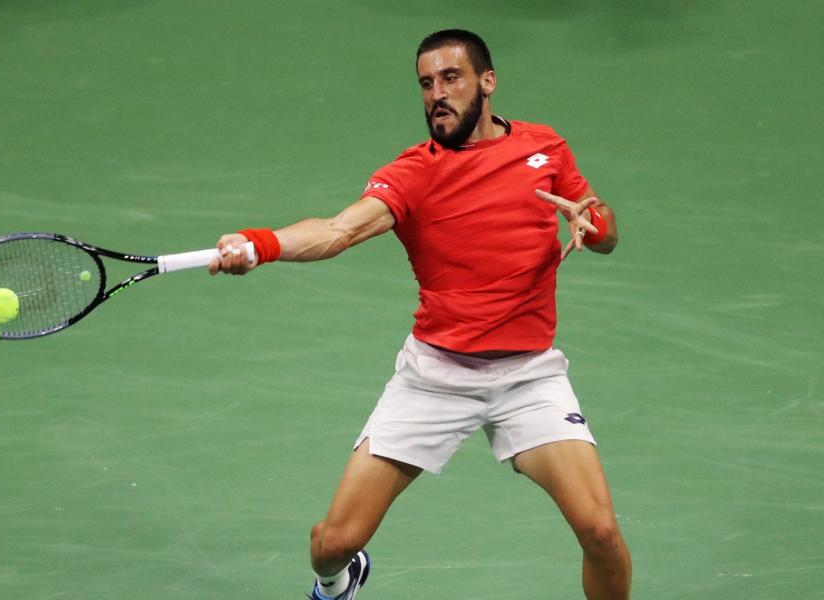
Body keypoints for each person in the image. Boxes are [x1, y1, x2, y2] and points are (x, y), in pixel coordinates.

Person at [209, 29, 631, 600]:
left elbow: (597, 221)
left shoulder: (545, 148)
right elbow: (338, 231)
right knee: (332, 543)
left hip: (529, 376)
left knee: (601, 533)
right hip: (436, 377)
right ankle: (338, 581)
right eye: (426, 83)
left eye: (450, 78)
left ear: (487, 82)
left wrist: (597, 225)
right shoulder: (415, 172)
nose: (437, 93)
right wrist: (261, 245)